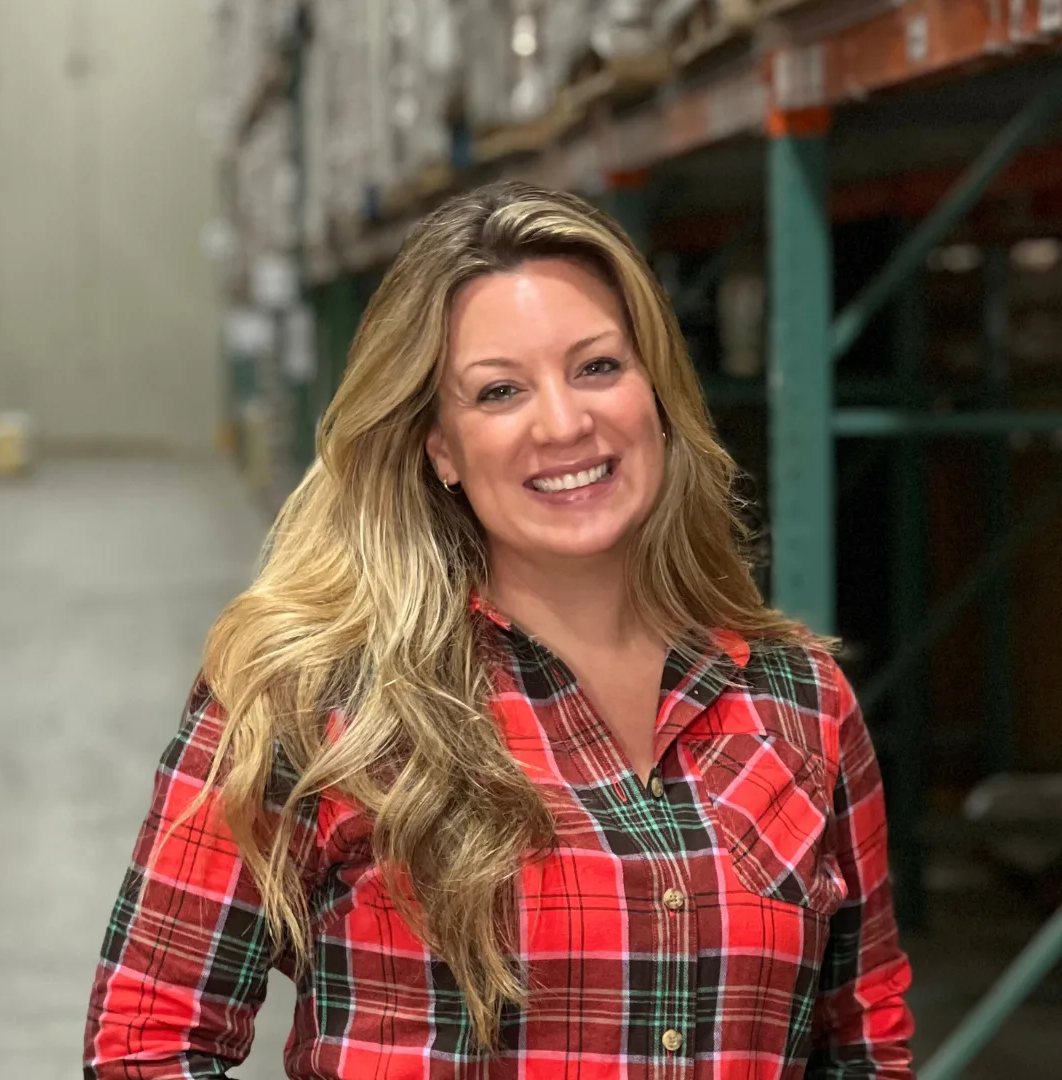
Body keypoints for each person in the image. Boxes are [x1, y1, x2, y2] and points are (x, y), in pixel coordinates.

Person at [84, 181, 913, 1079]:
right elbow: (148, 1043)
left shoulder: (795, 697)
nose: (563, 423)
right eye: (499, 392)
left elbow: (864, 1044)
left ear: (658, 394)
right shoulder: (316, 698)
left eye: (598, 367)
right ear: (439, 446)